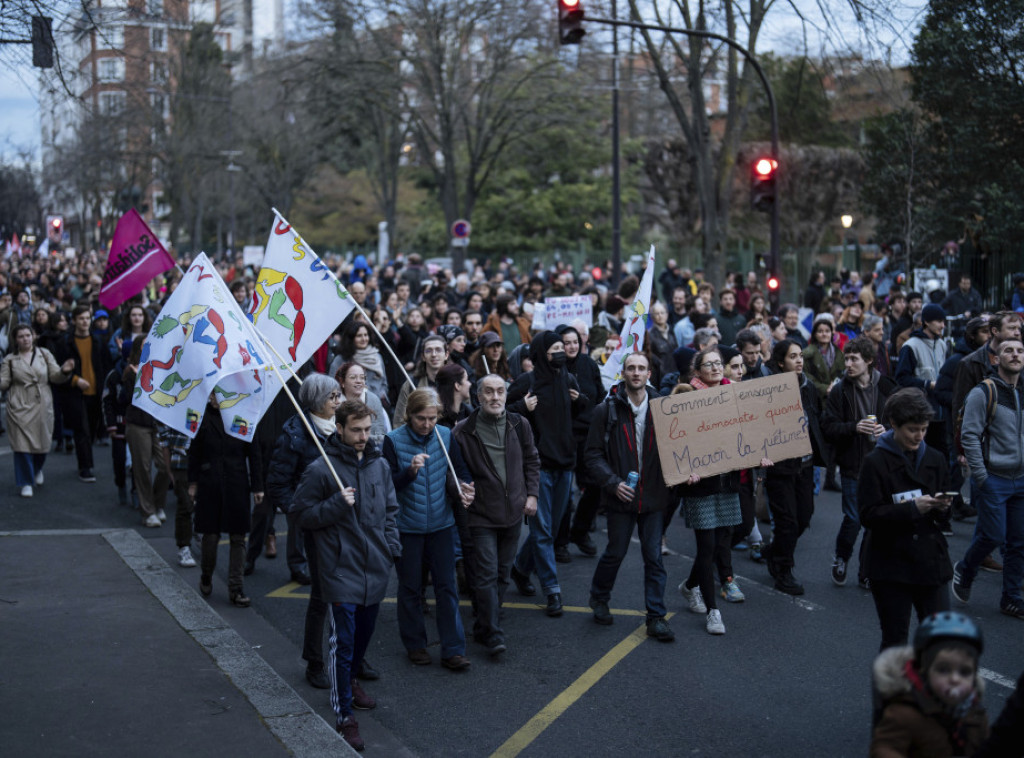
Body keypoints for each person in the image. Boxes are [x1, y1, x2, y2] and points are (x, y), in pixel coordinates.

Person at [292, 400, 401, 752]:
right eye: (356, 430)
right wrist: (336, 504)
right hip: (340, 569)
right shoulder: (321, 469)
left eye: (367, 429)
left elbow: (390, 511)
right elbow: (300, 514)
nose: (363, 436)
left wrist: (390, 547)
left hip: (374, 568)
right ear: (339, 428)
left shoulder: (380, 465)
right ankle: (345, 716)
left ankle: (351, 681)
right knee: (344, 641)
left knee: (365, 635)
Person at [585, 352, 676, 639]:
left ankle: (657, 616)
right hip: (620, 497)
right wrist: (612, 483)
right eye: (631, 368)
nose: (636, 373)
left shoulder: (663, 408)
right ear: (623, 373)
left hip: (653, 497)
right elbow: (592, 455)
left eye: (641, 368)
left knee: (654, 558)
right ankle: (599, 598)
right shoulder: (607, 409)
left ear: (650, 374)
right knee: (615, 552)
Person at [383, 389, 475, 669]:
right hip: (407, 527)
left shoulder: (445, 435)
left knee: (447, 588)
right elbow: (387, 486)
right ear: (409, 416)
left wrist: (466, 488)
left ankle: (453, 649)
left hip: (441, 525)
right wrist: (409, 472)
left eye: (432, 418)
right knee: (411, 588)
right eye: (421, 418)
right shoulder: (393, 441)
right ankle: (415, 644)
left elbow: (460, 471)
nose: (426, 424)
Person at [859, 388, 953, 650]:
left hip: (930, 560)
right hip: (891, 563)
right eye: (912, 429)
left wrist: (943, 507)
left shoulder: (935, 458)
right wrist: (913, 508)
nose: (919, 436)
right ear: (894, 425)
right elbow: (868, 514)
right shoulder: (875, 462)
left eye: (923, 429)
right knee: (895, 641)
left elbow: (945, 516)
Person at [676, 347, 762, 633]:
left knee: (718, 543)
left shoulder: (736, 395)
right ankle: (713, 612)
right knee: (707, 546)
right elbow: (677, 441)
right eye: (708, 364)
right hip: (700, 485)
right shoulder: (685, 397)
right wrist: (684, 470)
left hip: (728, 482)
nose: (714, 368)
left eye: (718, 363)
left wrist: (759, 453)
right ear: (696, 370)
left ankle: (690, 586)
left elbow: (749, 433)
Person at [453, 374, 539, 656]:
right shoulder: (463, 431)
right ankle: (492, 632)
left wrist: (532, 494)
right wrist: (461, 490)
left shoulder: (519, 423)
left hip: (514, 512)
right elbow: (453, 475)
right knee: (487, 574)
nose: (495, 397)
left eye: (500, 391)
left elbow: (531, 460)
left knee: (503, 575)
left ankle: (484, 623)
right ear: (478, 397)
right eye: (488, 392)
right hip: (480, 516)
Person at [265, 374, 343, 686]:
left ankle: (352, 657)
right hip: (315, 525)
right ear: (314, 401)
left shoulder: (342, 428)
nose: (338, 402)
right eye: (332, 397)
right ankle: (315, 662)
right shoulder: (295, 434)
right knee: (323, 596)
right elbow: (277, 483)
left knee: (350, 593)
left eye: (338, 395)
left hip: (343, 520)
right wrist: (299, 513)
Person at [507, 331, 589, 616]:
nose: (561, 352)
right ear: (542, 352)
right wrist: (522, 407)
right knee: (542, 532)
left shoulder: (567, 379)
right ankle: (552, 590)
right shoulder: (528, 382)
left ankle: (520, 568)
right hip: (538, 466)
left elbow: (580, 415)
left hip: (565, 464)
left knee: (551, 530)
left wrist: (580, 402)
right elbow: (501, 411)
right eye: (555, 348)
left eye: (562, 348)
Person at [952, 339, 1024, 619]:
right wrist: (981, 475)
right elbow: (969, 434)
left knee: (1018, 542)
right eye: (1008, 350)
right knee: (993, 535)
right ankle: (965, 569)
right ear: (996, 359)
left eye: (1019, 350)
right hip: (993, 478)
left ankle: (1011, 598)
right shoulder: (984, 392)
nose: (1015, 354)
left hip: (1021, 479)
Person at [822, 337, 898, 589]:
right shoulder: (841, 390)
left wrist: (886, 430)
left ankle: (866, 570)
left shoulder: (887, 387)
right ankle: (841, 558)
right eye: (846, 357)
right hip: (853, 463)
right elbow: (828, 426)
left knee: (875, 520)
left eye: (854, 358)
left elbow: (902, 421)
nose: (848, 363)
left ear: (868, 361)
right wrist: (854, 427)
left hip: (882, 464)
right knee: (854, 518)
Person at [871, 612, 989, 756]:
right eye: (943, 670)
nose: (955, 679)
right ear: (924, 670)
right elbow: (885, 749)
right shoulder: (904, 714)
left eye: (964, 672)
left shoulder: (975, 712)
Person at [189, 392, 264, 608]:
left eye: (218, 393)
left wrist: (258, 486)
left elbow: (254, 452)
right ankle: (206, 574)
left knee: (238, 537)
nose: (214, 398)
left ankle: (236, 588)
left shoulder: (244, 413)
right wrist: (192, 483)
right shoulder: (201, 416)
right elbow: (194, 452)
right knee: (210, 536)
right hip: (209, 483)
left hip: (236, 482)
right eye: (211, 393)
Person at [762, 339, 824, 595]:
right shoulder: (769, 391)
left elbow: (816, 419)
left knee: (803, 517)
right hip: (781, 466)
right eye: (792, 357)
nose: (799, 360)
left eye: (800, 356)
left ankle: (774, 550)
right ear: (780, 362)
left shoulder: (808, 387)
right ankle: (783, 571)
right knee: (787, 522)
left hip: (805, 465)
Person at [0, 323, 73, 496]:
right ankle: (25, 481)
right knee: (21, 445)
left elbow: (55, 376)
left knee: (43, 442)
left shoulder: (44, 354)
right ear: (15, 339)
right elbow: (4, 382)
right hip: (19, 402)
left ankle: (37, 468)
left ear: (33, 336)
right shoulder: (10, 359)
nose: (25, 339)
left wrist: (64, 371)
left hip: (42, 402)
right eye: (21, 336)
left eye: (28, 335)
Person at [53, 305, 113, 482]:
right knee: (82, 430)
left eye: (87, 318)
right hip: (75, 393)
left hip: (96, 393)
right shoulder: (65, 343)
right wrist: (75, 380)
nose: (85, 321)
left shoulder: (98, 342)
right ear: (74, 321)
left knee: (92, 430)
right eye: (81, 318)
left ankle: (86, 463)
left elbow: (106, 366)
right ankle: (85, 467)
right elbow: (57, 370)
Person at [122, 339, 172, 527]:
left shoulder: (162, 366)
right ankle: (148, 510)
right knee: (142, 467)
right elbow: (126, 399)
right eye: (144, 344)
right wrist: (134, 379)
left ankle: (158, 504)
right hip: (138, 424)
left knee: (165, 465)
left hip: (158, 424)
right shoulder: (130, 370)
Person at [330, 321, 389, 405]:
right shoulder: (341, 360)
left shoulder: (377, 357)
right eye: (359, 336)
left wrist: (380, 396)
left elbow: (384, 383)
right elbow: (332, 386)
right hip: (349, 407)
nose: (364, 339)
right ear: (351, 338)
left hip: (376, 404)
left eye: (366, 335)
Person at [393, 334, 447, 423]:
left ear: (446, 355)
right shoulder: (411, 384)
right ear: (423, 356)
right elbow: (399, 420)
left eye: (438, 350)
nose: (434, 354)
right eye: (429, 351)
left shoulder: (457, 383)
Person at [335, 362, 391, 444]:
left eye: (362, 378)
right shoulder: (335, 401)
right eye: (353, 377)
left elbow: (380, 435)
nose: (359, 381)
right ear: (342, 382)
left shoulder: (373, 399)